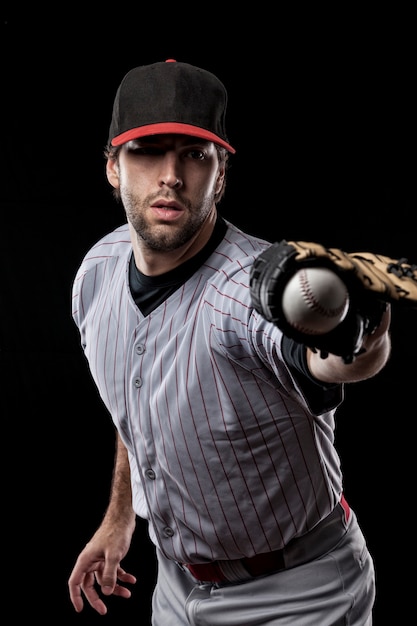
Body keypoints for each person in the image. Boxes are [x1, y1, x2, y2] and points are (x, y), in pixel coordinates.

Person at [68, 59, 391, 625]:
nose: (170, 174)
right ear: (113, 167)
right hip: (174, 588)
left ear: (221, 175)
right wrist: (121, 516)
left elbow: (334, 358)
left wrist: (355, 332)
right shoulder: (96, 274)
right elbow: (132, 406)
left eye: (195, 155)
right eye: (147, 149)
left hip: (299, 596)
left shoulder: (250, 290)